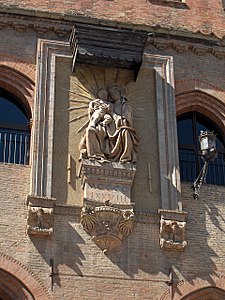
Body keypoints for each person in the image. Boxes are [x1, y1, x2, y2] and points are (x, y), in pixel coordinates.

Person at [79, 85, 138, 163]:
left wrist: (112, 114)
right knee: (90, 130)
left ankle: (125, 158)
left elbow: (125, 122)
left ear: (120, 93)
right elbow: (93, 111)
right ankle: (95, 155)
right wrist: (94, 109)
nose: (113, 95)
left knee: (125, 132)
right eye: (111, 94)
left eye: (115, 92)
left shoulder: (125, 106)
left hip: (118, 128)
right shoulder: (107, 104)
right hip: (107, 127)